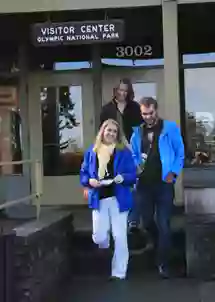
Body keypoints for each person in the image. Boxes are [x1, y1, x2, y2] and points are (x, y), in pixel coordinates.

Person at [130, 97, 184, 278]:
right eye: (144, 114)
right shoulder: (137, 133)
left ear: (156, 110)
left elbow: (180, 154)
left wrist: (174, 173)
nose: (148, 117)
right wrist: (136, 166)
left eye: (150, 113)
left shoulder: (170, 128)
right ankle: (159, 244)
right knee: (147, 222)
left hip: (164, 185)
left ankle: (163, 263)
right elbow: (133, 155)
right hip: (144, 185)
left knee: (164, 225)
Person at [80, 119, 136, 281]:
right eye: (108, 130)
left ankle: (119, 273)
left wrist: (122, 178)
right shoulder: (92, 151)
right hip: (99, 198)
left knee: (120, 236)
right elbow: (84, 172)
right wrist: (88, 181)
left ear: (117, 135)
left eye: (114, 131)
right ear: (102, 131)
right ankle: (104, 245)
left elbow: (132, 175)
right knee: (99, 236)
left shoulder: (123, 152)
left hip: (119, 198)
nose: (111, 134)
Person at [100, 78, 142, 142]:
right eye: (121, 90)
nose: (123, 93)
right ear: (116, 90)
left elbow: (140, 126)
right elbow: (102, 129)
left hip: (132, 144)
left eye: (126, 91)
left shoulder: (135, 107)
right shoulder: (106, 109)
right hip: (112, 143)